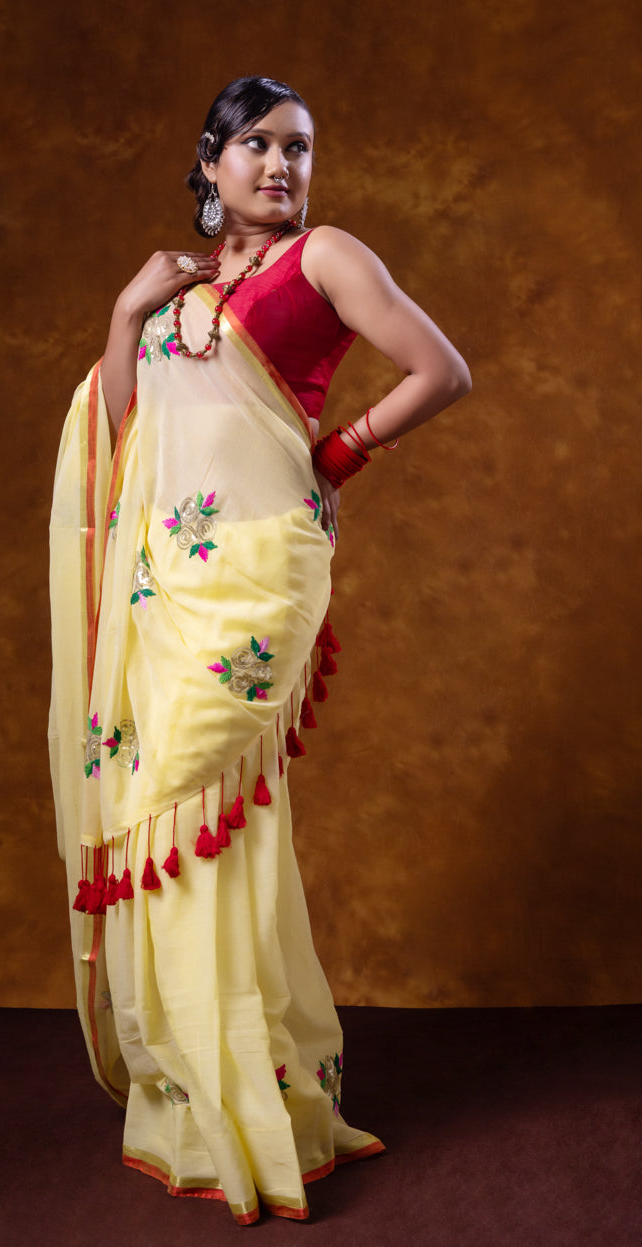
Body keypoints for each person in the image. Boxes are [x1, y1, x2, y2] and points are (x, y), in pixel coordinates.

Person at [48, 76, 471, 1225]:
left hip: (255, 573)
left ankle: (253, 1092)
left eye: (299, 148)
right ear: (210, 161)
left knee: (196, 800)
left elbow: (443, 369)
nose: (282, 166)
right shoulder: (180, 290)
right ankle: (208, 1084)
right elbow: (124, 435)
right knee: (178, 824)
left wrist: (340, 457)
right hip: (166, 582)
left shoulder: (324, 255)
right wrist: (126, 317)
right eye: (258, 145)